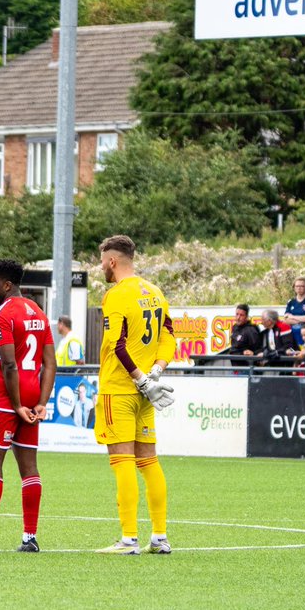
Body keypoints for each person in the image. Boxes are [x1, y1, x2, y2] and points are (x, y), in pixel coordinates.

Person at [0, 260, 56, 553]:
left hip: (6, 398)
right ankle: (30, 538)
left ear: (7, 285)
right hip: (32, 395)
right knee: (29, 468)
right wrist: (41, 402)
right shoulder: (39, 313)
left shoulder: (2, 314)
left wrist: (16, 405)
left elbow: (9, 364)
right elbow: (50, 363)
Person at [93, 235, 176, 555]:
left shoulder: (116, 295)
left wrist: (141, 379)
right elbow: (168, 336)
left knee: (122, 461)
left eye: (102, 261)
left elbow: (117, 344)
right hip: (146, 393)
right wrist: (156, 371)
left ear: (113, 261)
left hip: (120, 388)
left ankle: (128, 539)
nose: (101, 266)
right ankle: (159, 537)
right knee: (149, 461)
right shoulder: (154, 292)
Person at [283, 277, 305, 347]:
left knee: (297, 328)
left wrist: (292, 317)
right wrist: (301, 320)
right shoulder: (291, 302)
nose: (299, 288)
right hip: (293, 327)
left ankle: (303, 348)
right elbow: (286, 319)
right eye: (297, 286)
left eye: (302, 286)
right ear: (294, 288)